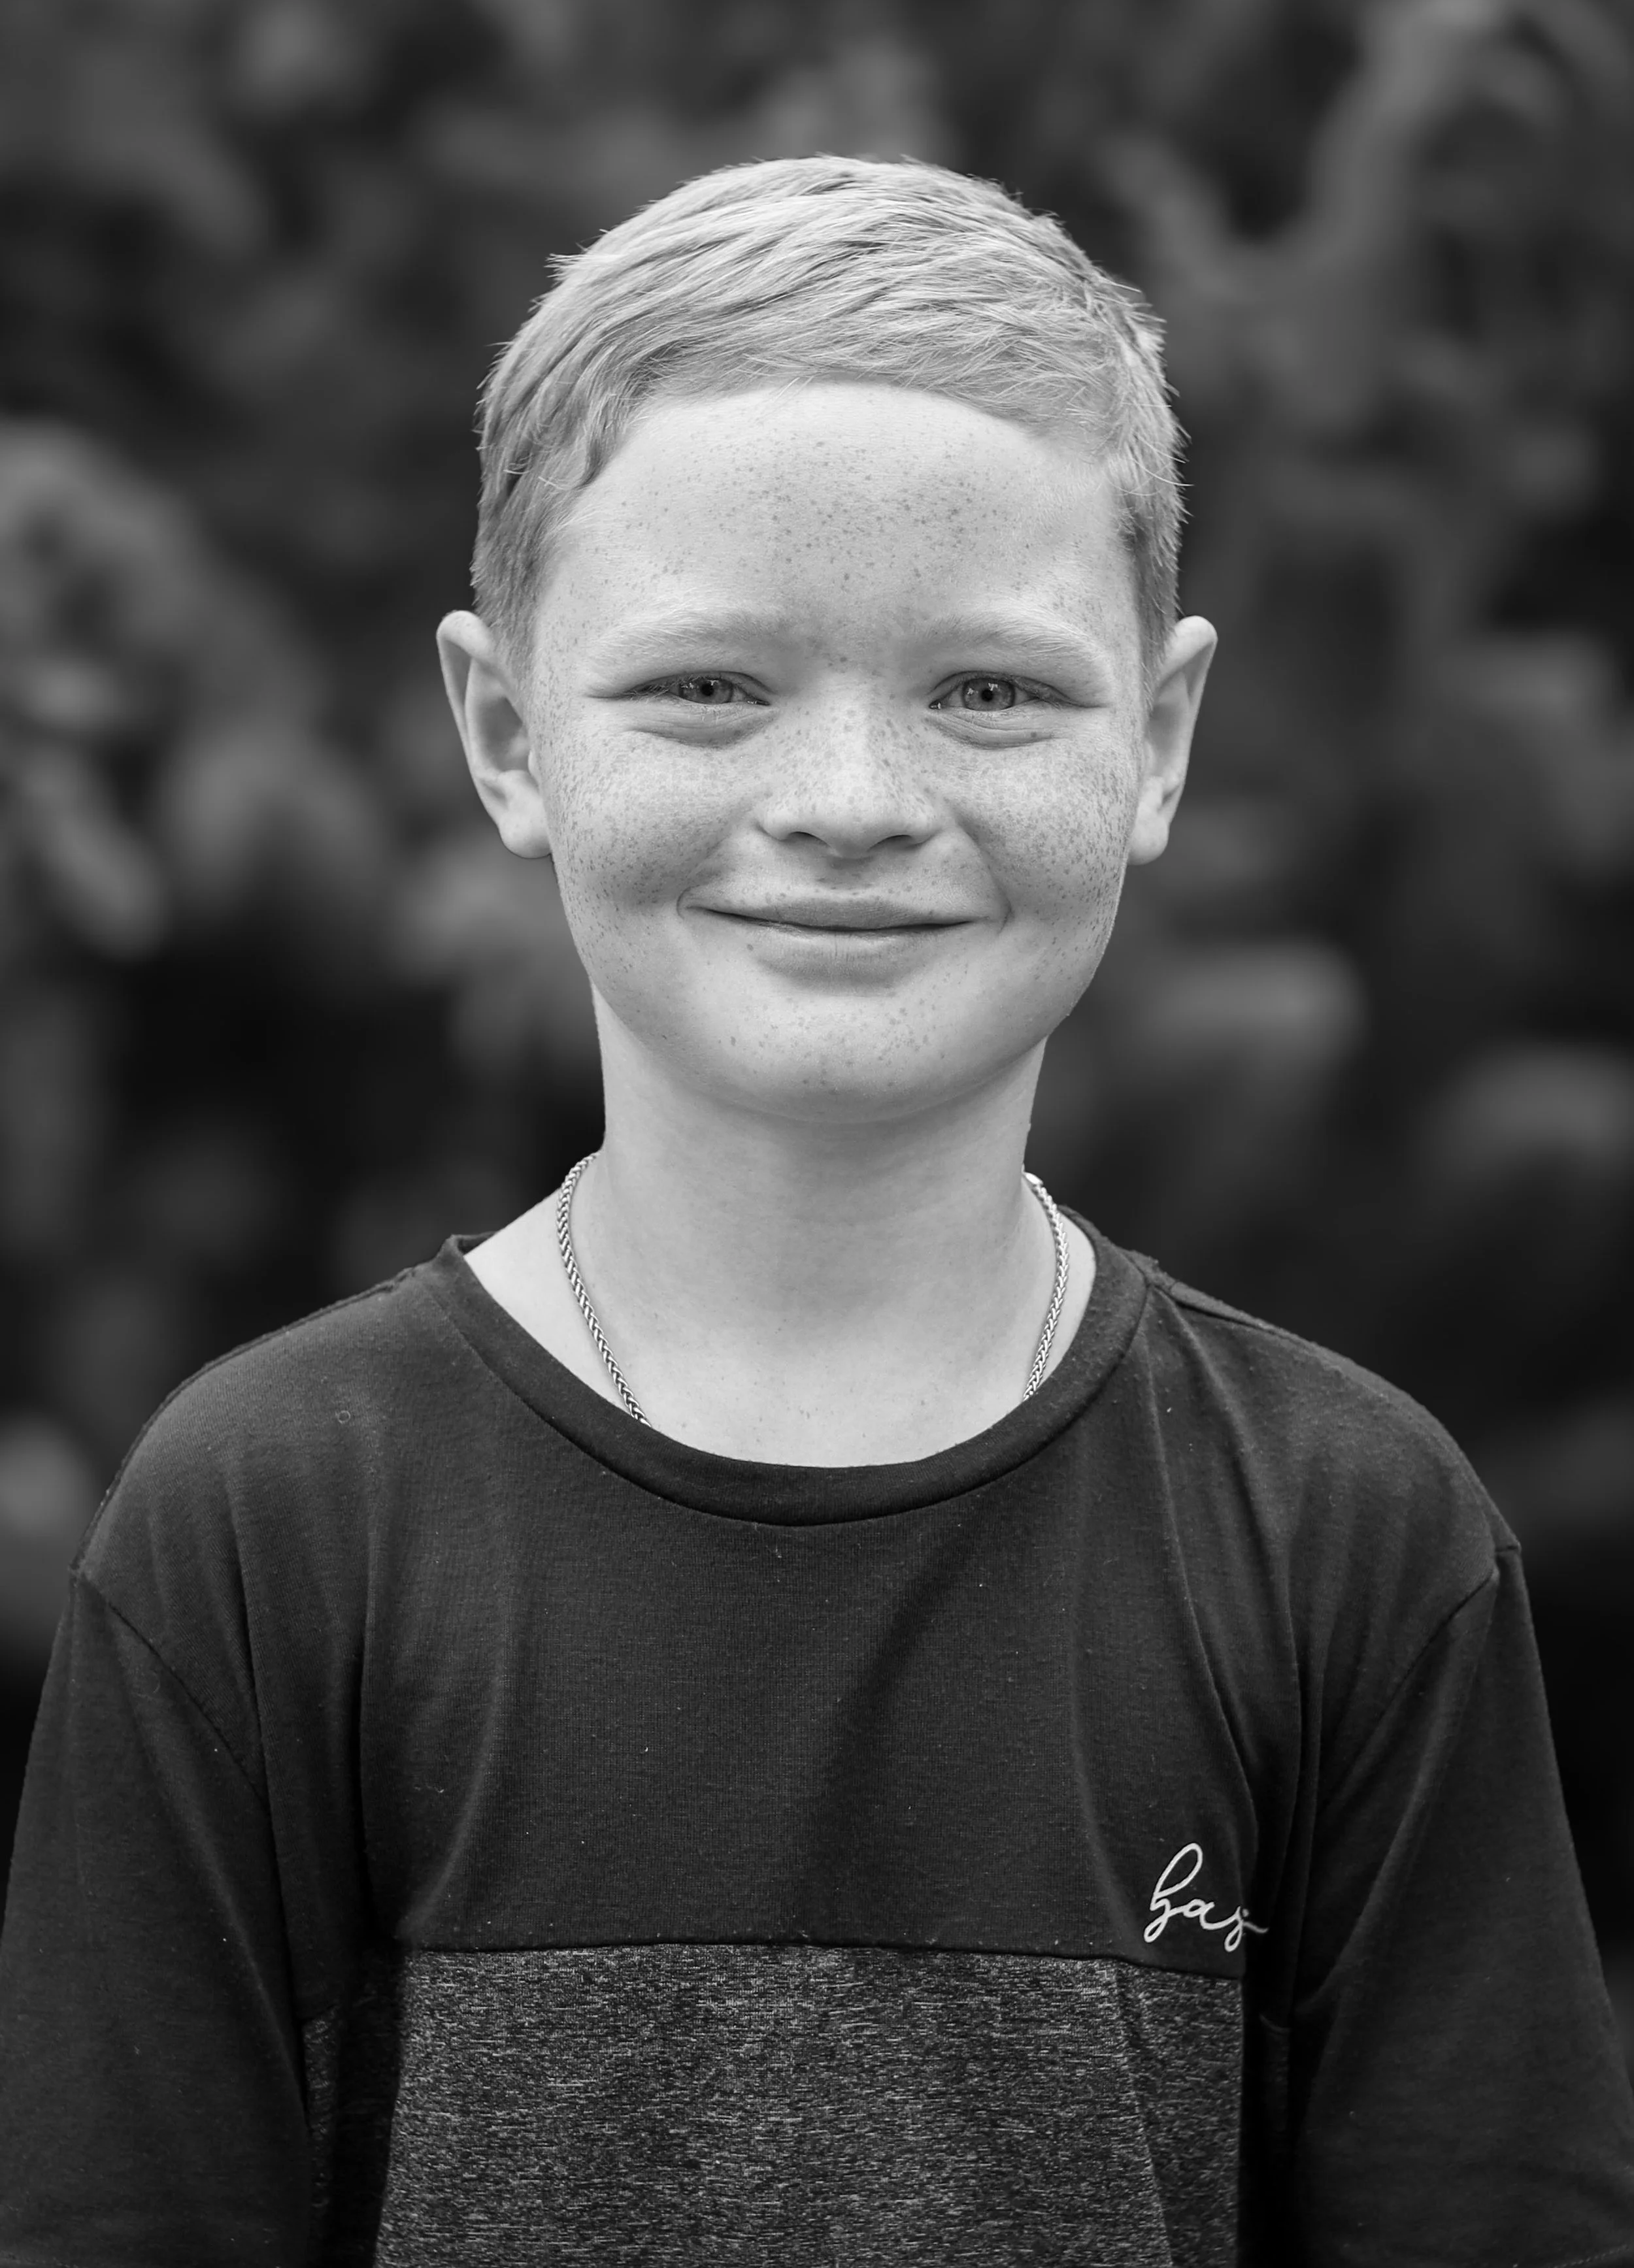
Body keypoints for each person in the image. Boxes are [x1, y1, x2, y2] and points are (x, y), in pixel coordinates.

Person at [1, 154, 1631, 2268]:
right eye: (708, 685)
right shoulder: (266, 1522)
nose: (851, 801)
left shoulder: (1350, 1537)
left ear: (1157, 739)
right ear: (505, 732)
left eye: (989, 689)